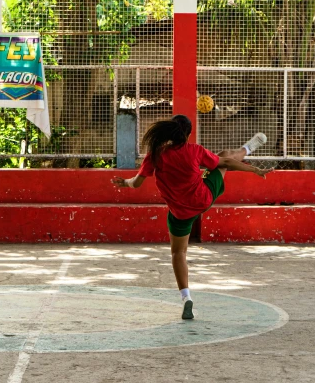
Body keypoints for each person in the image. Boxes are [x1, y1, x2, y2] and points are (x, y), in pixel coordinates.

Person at [112, 114, 270, 320]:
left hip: (180, 212)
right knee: (223, 159)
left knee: (178, 253)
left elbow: (136, 183)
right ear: (187, 134)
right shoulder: (194, 150)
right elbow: (225, 162)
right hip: (203, 198)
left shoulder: (155, 156)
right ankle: (247, 149)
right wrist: (254, 170)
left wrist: (124, 183)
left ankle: (186, 298)